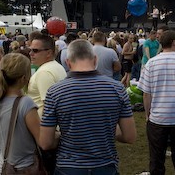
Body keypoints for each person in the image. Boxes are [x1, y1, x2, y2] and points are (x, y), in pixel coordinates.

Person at [40, 39, 136, 174]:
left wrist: (65, 134)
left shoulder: (55, 92)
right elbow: (129, 136)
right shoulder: (117, 89)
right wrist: (105, 129)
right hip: (105, 165)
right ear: (95, 60)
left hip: (69, 167)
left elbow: (45, 142)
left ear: (68, 62)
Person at [138, 30, 175, 175]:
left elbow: (146, 93)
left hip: (157, 119)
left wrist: (148, 115)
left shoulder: (151, 63)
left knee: (156, 160)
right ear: (173, 43)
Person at [0, 53, 43, 174]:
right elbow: (42, 141)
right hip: (26, 167)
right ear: (23, 78)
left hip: (5, 166)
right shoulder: (25, 103)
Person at [27, 34, 67, 116]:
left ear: (48, 53)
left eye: (35, 50)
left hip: (42, 125)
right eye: (30, 50)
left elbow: (49, 106)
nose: (30, 53)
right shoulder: (57, 66)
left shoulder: (44, 72)